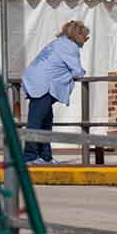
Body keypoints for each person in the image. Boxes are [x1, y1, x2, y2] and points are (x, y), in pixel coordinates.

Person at [20, 20, 89, 164]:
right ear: (78, 35)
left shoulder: (57, 43)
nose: (86, 40)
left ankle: (45, 156)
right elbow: (77, 71)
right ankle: (30, 156)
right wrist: (82, 72)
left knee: (45, 121)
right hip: (44, 85)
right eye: (85, 37)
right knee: (36, 121)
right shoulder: (70, 46)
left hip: (37, 82)